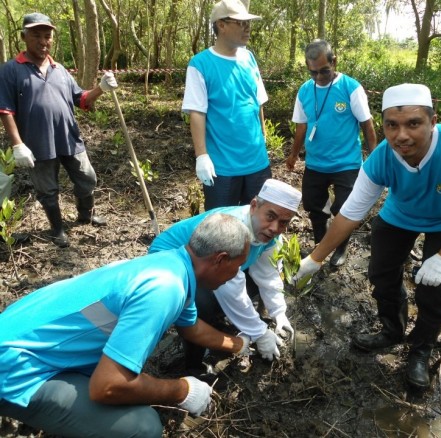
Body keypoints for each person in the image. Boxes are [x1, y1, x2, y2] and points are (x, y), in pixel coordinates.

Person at [295, 84, 441, 389]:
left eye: (414, 124)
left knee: (434, 291)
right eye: (392, 125)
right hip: (400, 214)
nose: (401, 135)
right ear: (383, 125)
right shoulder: (381, 159)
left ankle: (420, 350)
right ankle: (392, 329)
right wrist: (315, 258)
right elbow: (349, 213)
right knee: (381, 273)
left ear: (432, 121)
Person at [0, 213, 253, 437]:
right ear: (219, 259)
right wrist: (182, 390)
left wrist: (239, 344)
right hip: (16, 369)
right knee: (143, 427)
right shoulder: (165, 289)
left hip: (23, 337)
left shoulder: (172, 265)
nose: (238, 273)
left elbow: (192, 328)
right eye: (238, 265)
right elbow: (107, 387)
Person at [149, 178, 302, 371]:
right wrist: (260, 333)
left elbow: (267, 274)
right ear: (254, 206)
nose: (274, 228)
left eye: (283, 223)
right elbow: (232, 290)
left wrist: (279, 313)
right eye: (270, 217)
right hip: (169, 265)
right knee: (201, 305)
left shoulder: (270, 235)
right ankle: (194, 365)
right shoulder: (233, 230)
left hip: (206, 267)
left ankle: (217, 322)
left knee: (251, 285)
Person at [0, 12, 118, 248]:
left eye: (47, 36)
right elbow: (5, 110)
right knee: (47, 189)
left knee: (87, 178)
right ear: (24, 37)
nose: (43, 41)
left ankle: (86, 214)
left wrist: (101, 88)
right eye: (36, 36)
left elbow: (81, 100)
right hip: (36, 143)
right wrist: (17, 144)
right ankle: (57, 229)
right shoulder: (10, 70)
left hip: (69, 139)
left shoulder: (60, 70)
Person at [286, 39, 377, 267]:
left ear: (334, 61)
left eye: (324, 71)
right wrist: (293, 154)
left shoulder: (350, 88)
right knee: (314, 207)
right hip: (316, 163)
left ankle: (341, 248)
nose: (319, 77)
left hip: (346, 163)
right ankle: (321, 244)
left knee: (344, 209)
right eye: (313, 73)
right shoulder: (305, 91)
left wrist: (375, 158)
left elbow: (367, 124)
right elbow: (301, 126)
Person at [182, 0, 271, 210]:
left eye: (248, 23)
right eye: (241, 23)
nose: (247, 28)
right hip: (222, 166)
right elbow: (197, 112)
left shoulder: (249, 58)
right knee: (221, 228)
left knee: (258, 223)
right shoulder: (200, 64)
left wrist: (263, 136)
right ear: (221, 25)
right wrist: (202, 156)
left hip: (257, 162)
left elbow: (257, 100)